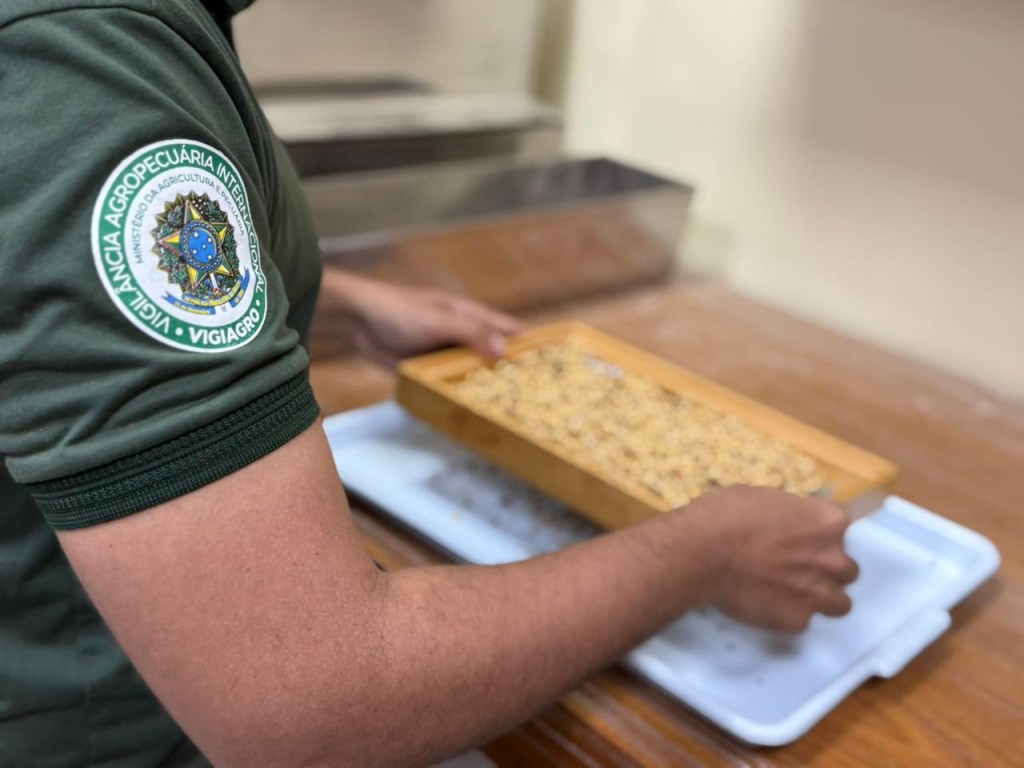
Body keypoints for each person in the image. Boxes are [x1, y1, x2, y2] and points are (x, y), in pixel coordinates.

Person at [0, 1, 859, 766]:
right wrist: (704, 554)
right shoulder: (84, 64)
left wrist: (332, 303)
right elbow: (316, 706)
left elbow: (62, 304)